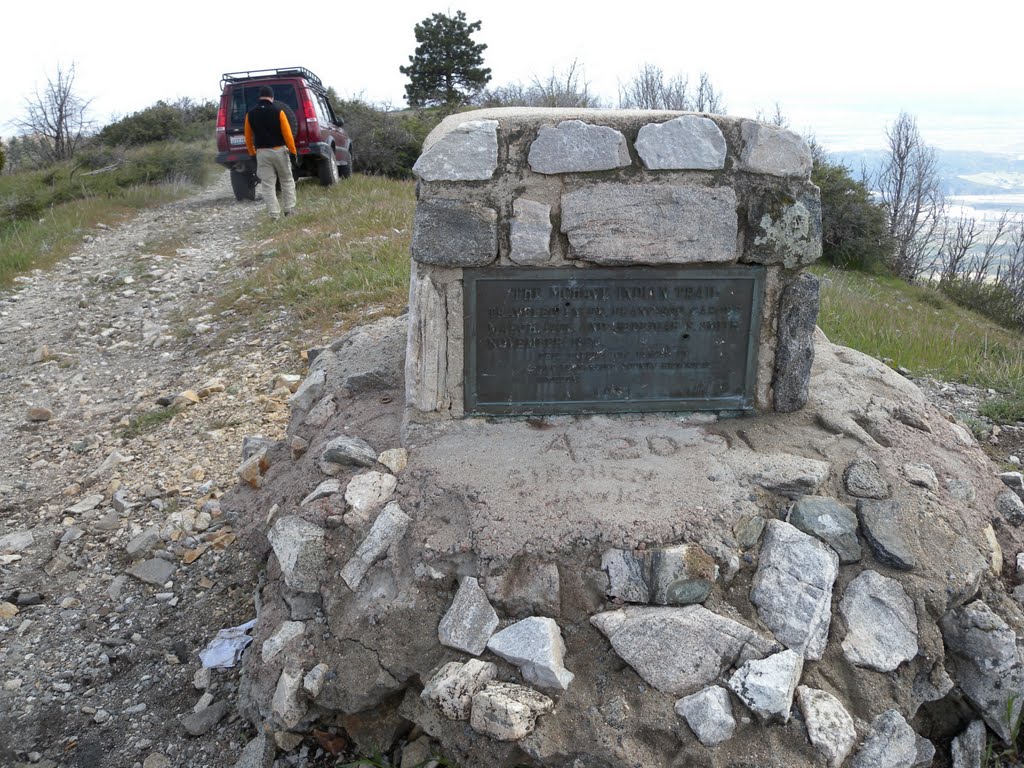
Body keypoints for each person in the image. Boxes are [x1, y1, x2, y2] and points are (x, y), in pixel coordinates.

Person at [244, 85, 298, 219]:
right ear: (272, 97)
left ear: (260, 97)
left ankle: (274, 214)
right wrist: (293, 152)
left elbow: (248, 137)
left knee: (268, 184)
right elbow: (288, 134)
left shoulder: (250, 114)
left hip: (262, 153)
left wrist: (252, 153)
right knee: (286, 180)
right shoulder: (279, 111)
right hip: (279, 150)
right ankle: (289, 210)